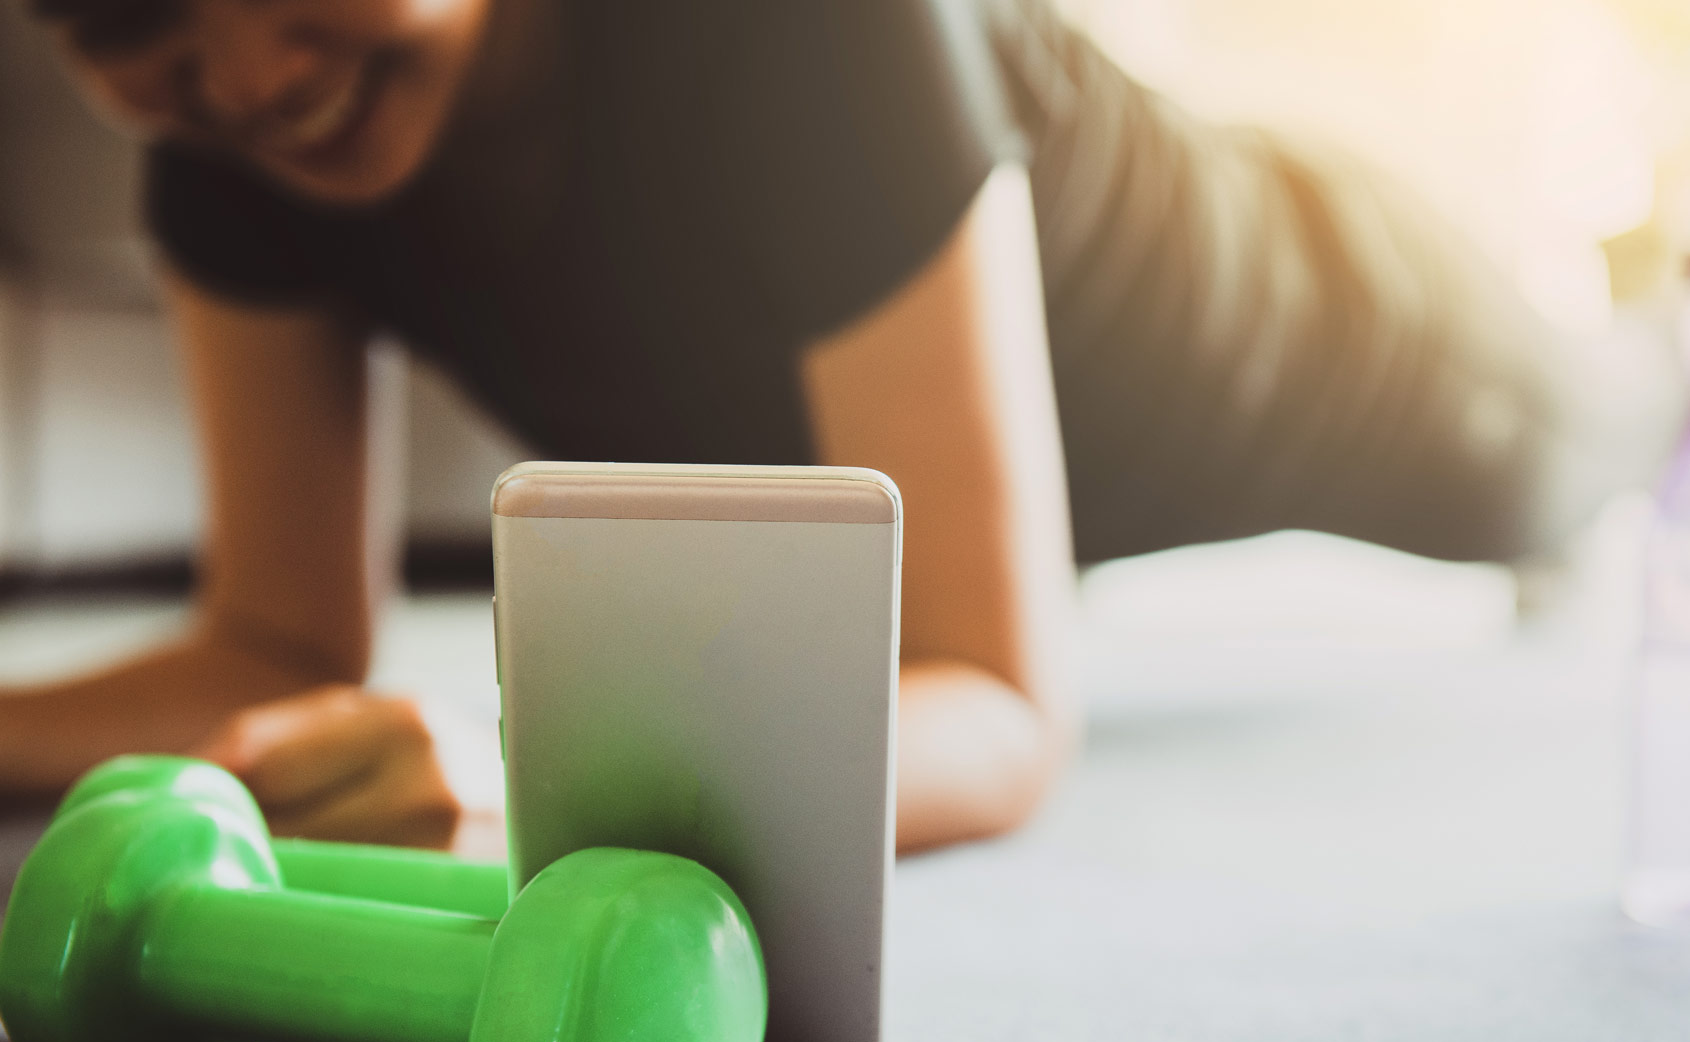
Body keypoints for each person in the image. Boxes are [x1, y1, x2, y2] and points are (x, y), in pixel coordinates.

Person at [2, 0, 1681, 853]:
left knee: (1596, 432)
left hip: (1333, 328)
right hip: (1090, 331)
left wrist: (543, 782)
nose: (223, 71)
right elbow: (272, 642)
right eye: (116, 24)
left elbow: (1003, 704)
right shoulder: (228, 143)